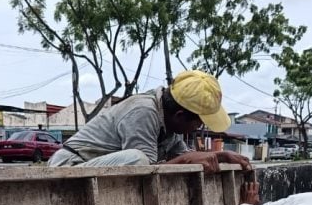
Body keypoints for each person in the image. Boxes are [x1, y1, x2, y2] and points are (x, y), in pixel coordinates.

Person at [48, 70, 251, 172]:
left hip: (94, 167)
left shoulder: (169, 124)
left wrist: (221, 155)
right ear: (180, 116)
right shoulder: (143, 112)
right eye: (199, 122)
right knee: (138, 159)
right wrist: (186, 160)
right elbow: (148, 170)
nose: (199, 127)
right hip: (69, 167)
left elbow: (184, 156)